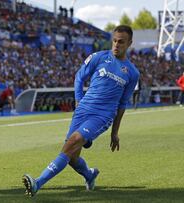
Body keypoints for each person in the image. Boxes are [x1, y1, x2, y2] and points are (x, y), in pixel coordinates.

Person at [22, 25, 139, 197]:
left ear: (129, 43)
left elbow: (122, 104)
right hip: (83, 110)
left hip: (102, 115)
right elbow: (79, 77)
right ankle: (90, 174)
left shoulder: (132, 73)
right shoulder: (98, 58)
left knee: (72, 142)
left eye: (121, 42)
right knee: (72, 155)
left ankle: (37, 183)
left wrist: (115, 132)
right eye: (114, 40)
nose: (116, 45)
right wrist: (78, 101)